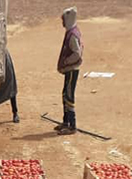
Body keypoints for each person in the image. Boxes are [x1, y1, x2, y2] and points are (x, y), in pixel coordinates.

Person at [56, 6, 83, 135]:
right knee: (65, 94)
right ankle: (65, 122)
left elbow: (77, 54)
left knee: (69, 95)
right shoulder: (72, 31)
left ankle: (72, 126)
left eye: (63, 20)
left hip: (72, 69)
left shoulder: (72, 35)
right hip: (69, 69)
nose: (62, 22)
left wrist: (66, 62)